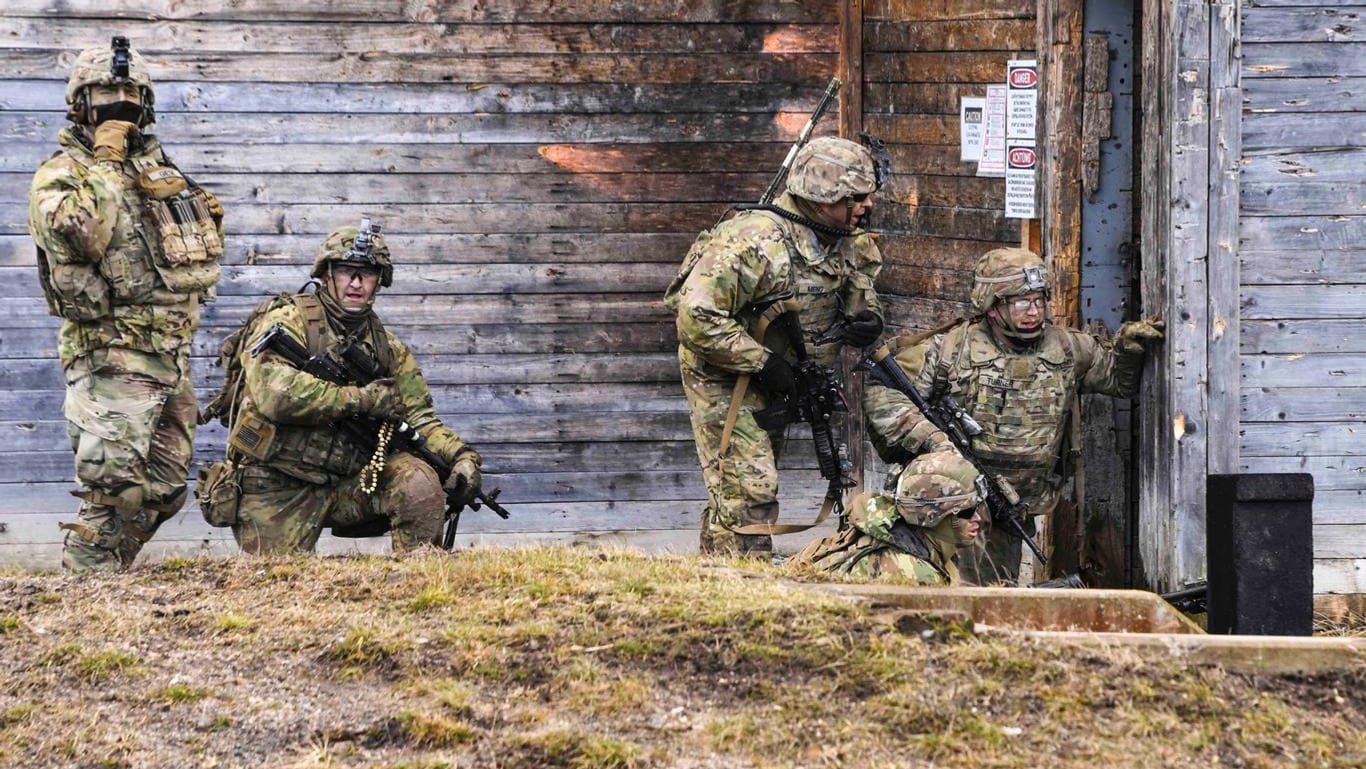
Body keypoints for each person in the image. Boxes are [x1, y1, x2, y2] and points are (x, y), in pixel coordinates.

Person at [28, 37, 225, 571]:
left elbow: (193, 253)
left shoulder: (158, 171)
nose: (121, 102)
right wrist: (107, 161)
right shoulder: (63, 172)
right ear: (82, 103)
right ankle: (85, 595)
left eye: (130, 92)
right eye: (107, 92)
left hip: (168, 355)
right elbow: (81, 234)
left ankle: (110, 575)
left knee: (164, 490)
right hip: (111, 355)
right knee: (111, 495)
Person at [864, 247, 1164, 584]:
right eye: (1021, 302)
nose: (1034, 311)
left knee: (995, 593)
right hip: (952, 508)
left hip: (1013, 509)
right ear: (992, 306)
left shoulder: (1068, 349)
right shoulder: (951, 350)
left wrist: (1127, 350)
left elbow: (1118, 382)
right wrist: (932, 439)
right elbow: (883, 392)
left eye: (1039, 300)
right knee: (945, 588)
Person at [197, 221, 482, 554]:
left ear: (380, 281)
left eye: (368, 273)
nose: (357, 283)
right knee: (277, 584)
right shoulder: (288, 321)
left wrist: (461, 457)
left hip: (349, 482)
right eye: (347, 271)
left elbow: (418, 418)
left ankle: (418, 578)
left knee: (417, 478)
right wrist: (360, 399)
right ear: (327, 274)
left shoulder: (387, 349)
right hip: (277, 483)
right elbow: (275, 395)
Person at [664, 136, 886, 556]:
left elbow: (861, 284)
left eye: (868, 196)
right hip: (725, 372)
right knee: (751, 488)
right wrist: (763, 364)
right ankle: (750, 585)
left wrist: (868, 318)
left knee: (740, 485)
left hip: (784, 373)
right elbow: (695, 317)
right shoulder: (754, 241)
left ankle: (719, 574)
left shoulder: (844, 235)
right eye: (855, 197)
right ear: (821, 197)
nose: (866, 207)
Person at [791, 449, 984, 585]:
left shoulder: (920, 547)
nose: (978, 518)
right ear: (932, 516)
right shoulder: (910, 574)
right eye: (967, 512)